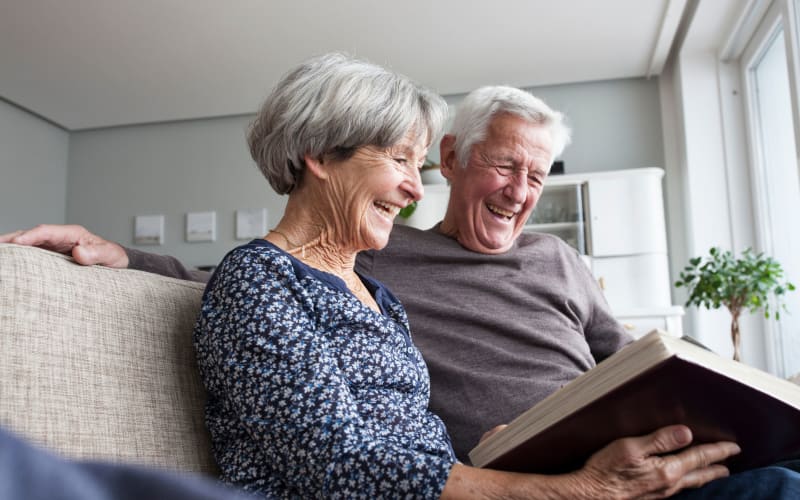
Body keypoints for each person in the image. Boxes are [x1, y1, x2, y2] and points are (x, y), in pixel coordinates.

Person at [2, 58, 763, 498]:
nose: (411, 186)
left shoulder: (379, 290)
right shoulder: (275, 280)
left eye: (538, 174)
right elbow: (337, 456)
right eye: (401, 160)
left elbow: (620, 366)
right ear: (321, 155)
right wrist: (559, 491)